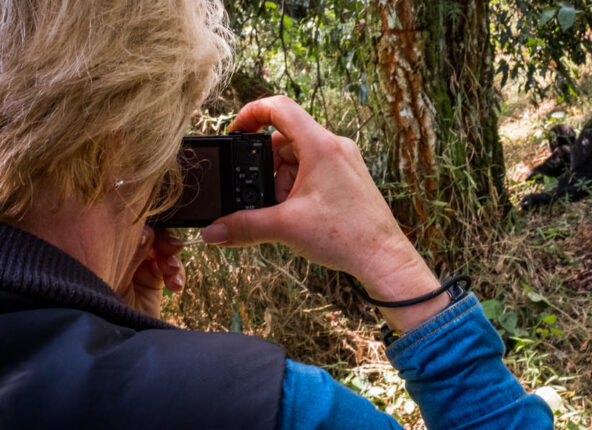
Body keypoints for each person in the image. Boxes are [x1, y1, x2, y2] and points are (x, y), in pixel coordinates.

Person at [0, 1, 553, 429]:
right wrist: (386, 255)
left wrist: (112, 322)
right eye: (163, 144)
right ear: (110, 149)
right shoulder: (269, 408)